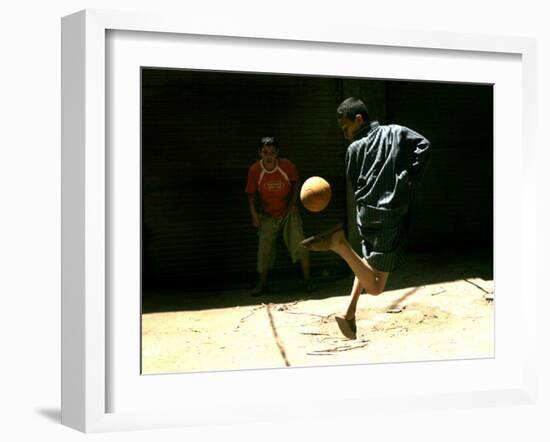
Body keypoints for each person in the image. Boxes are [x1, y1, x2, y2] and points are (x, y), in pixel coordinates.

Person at [302, 97, 431, 339]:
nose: (346, 135)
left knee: (366, 264)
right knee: (375, 287)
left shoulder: (353, 149)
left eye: (346, 128)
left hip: (366, 215)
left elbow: (354, 181)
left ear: (358, 120)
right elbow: (424, 145)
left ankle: (348, 313)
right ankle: (338, 244)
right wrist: (411, 176)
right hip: (388, 215)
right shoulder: (395, 132)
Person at [246, 136, 314, 296]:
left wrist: (293, 203)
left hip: (288, 213)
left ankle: (308, 281)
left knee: (301, 244)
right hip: (268, 215)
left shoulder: (287, 166)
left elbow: (296, 181)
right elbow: (250, 193)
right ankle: (262, 284)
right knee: (264, 250)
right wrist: (254, 214)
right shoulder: (255, 170)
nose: (268, 156)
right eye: (265, 153)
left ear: (277, 153)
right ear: (260, 153)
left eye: (272, 153)